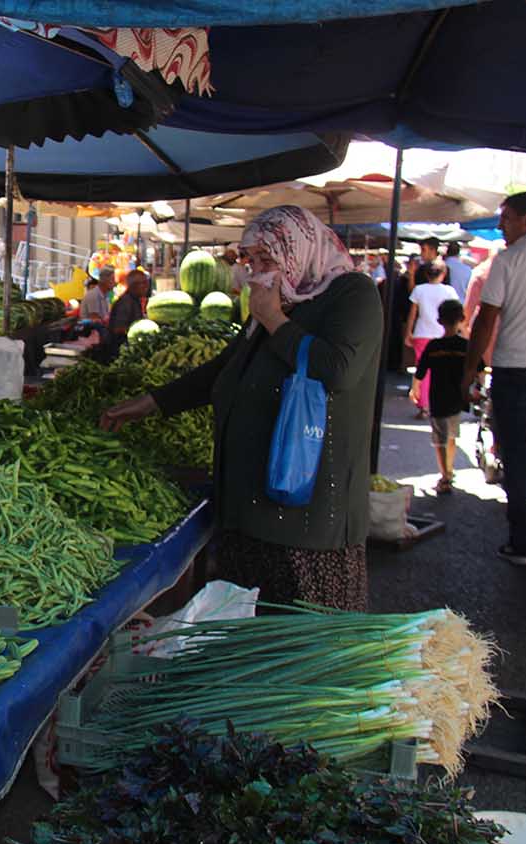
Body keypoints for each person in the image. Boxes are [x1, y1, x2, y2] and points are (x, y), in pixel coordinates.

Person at [101, 205, 382, 611]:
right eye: (252, 261)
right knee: (245, 634)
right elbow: (223, 369)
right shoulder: (281, 303)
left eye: (268, 259)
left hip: (307, 518)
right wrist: (151, 403)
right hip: (246, 512)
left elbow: (337, 370)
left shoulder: (351, 294)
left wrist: (274, 319)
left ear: (298, 250)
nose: (256, 273)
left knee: (298, 644)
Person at [460, 191, 526, 566]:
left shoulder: (508, 260)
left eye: (507, 218)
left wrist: (468, 370)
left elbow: (485, 319)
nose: (500, 226)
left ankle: (522, 542)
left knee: (515, 457)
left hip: (515, 372)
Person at [415, 300, 477, 495]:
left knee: (440, 439)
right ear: (462, 319)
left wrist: (414, 388)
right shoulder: (465, 346)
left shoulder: (434, 346)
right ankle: (449, 470)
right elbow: (480, 367)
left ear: (439, 320)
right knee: (451, 436)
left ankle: (445, 475)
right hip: (458, 399)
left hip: (438, 398)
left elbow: (421, 371)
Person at [403, 261, 460, 418]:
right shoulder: (449, 291)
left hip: (422, 333)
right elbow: (455, 313)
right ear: (443, 274)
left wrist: (408, 332)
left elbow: (412, 314)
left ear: (427, 274)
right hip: (443, 334)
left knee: (423, 369)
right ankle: (439, 403)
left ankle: (424, 405)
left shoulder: (419, 290)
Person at [102, 269, 149, 358]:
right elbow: (118, 329)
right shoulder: (126, 302)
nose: (146, 286)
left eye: (146, 282)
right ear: (133, 285)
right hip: (119, 352)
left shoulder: (135, 300)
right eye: (143, 283)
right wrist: (139, 332)